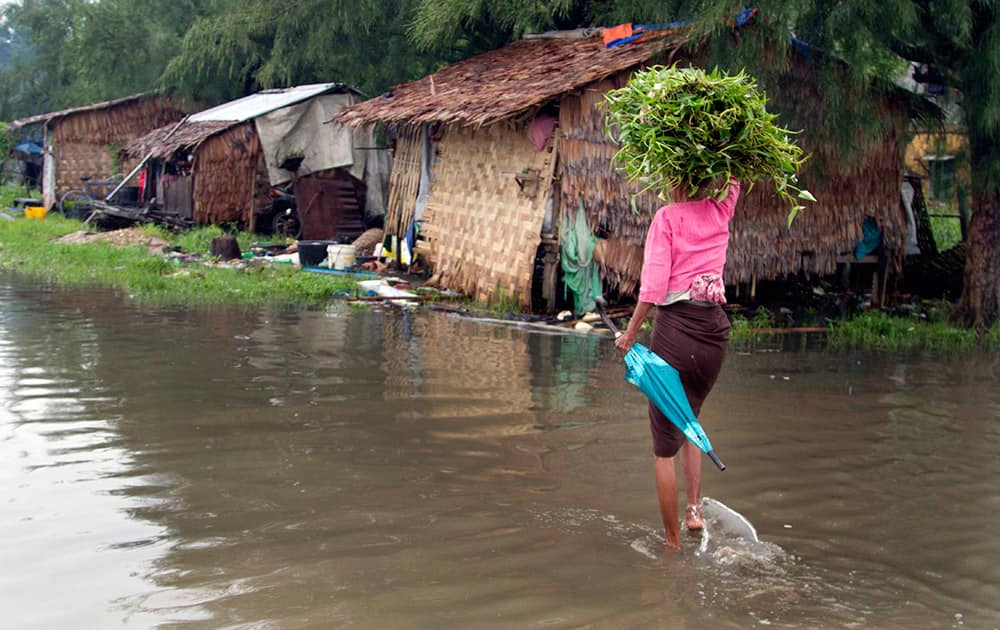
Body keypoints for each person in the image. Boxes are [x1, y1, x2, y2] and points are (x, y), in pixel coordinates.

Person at [614, 177, 740, 551]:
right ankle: (693, 511)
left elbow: (653, 287)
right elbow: (734, 181)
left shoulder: (667, 218)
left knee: (663, 445)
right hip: (714, 333)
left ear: (675, 181)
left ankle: (671, 545)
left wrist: (630, 333)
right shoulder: (720, 211)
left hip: (676, 332)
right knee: (690, 421)